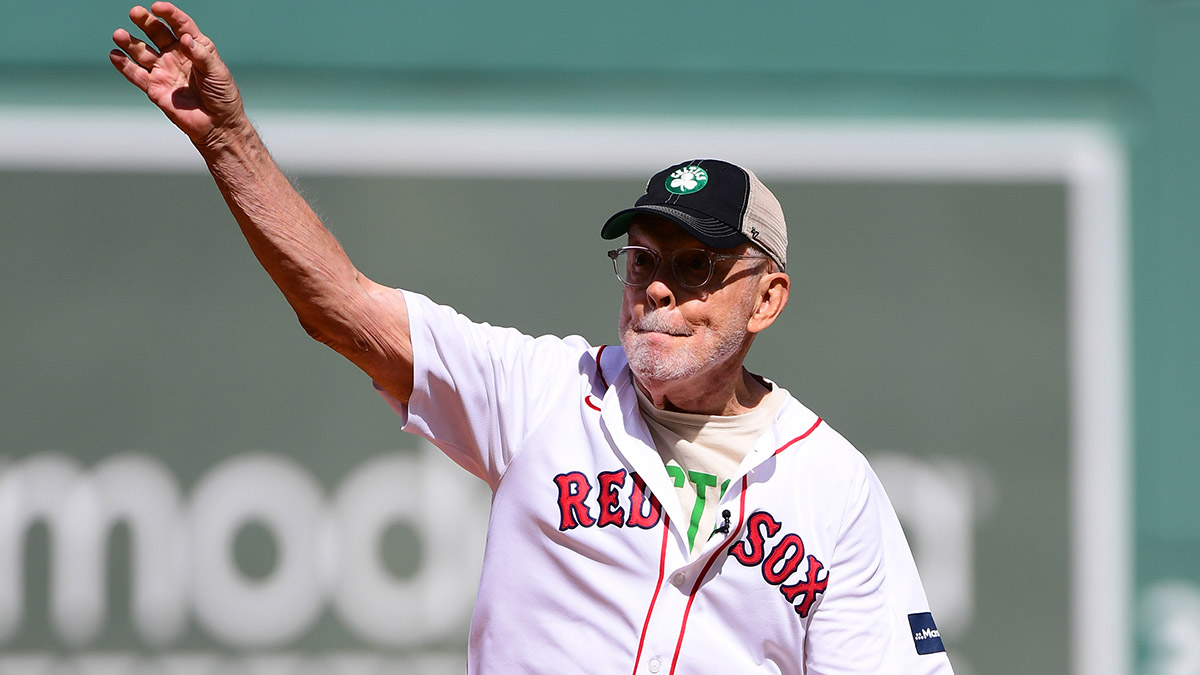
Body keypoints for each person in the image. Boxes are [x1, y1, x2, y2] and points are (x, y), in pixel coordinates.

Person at [110, 5, 955, 674]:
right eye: (642, 260)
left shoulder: (834, 488)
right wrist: (226, 140)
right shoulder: (547, 392)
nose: (659, 286)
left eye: (695, 264)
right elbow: (340, 307)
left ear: (767, 299)